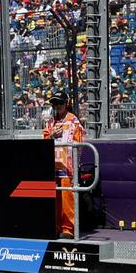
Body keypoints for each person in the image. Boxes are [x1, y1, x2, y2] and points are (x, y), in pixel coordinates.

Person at [43, 91, 85, 237]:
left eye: (60, 103)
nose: (57, 106)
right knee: (53, 198)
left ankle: (68, 229)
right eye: (55, 104)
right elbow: (45, 137)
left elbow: (78, 144)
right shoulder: (50, 121)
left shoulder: (73, 121)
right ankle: (55, 227)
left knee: (67, 198)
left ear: (66, 103)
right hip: (52, 165)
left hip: (67, 167)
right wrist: (52, 135)